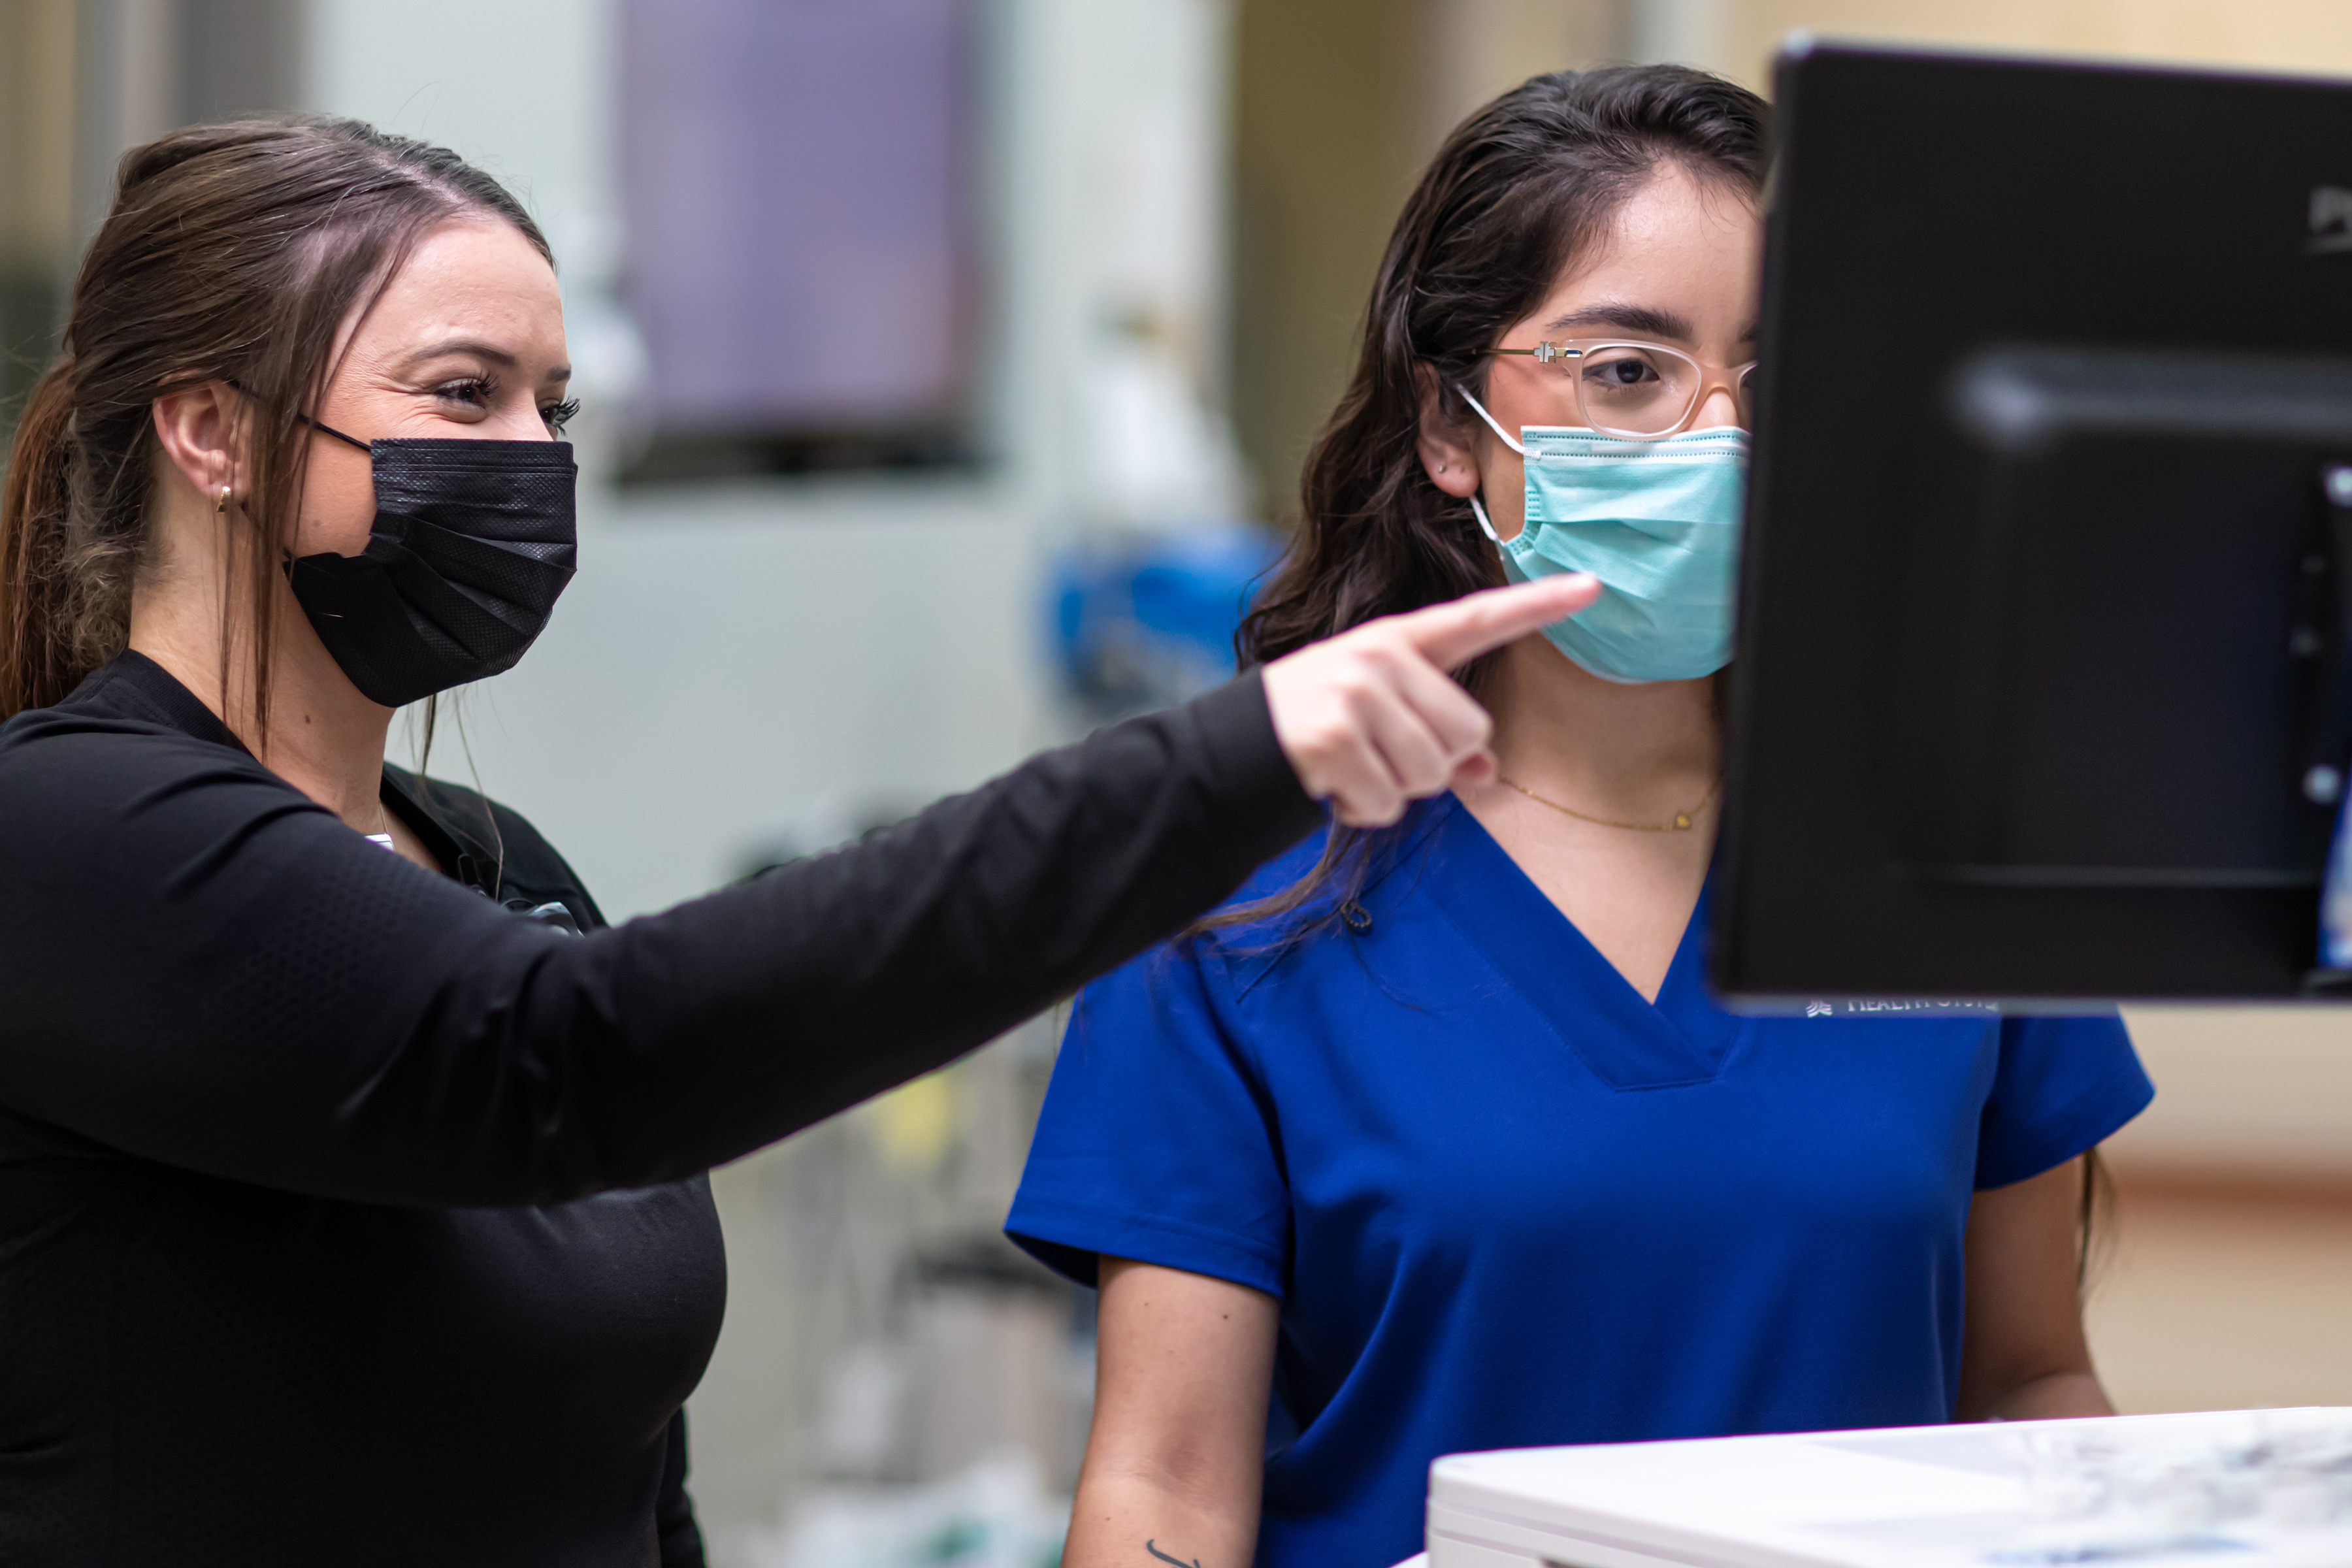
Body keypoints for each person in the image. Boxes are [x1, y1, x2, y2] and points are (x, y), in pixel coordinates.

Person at [0, 116, 1593, 1567]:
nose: (537, 460)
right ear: (210, 432)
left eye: (556, 406)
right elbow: (578, 1059)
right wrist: (1225, 766)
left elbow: (638, 1474)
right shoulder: (63, 835)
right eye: (465, 394)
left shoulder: (493, 864)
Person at [1006, 65, 2155, 1568]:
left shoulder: (1946, 851)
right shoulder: (1241, 898)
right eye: (1628, 371)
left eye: (1778, 378)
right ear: (1451, 426)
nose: (1719, 440)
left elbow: (2028, 1384)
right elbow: (1164, 1494)